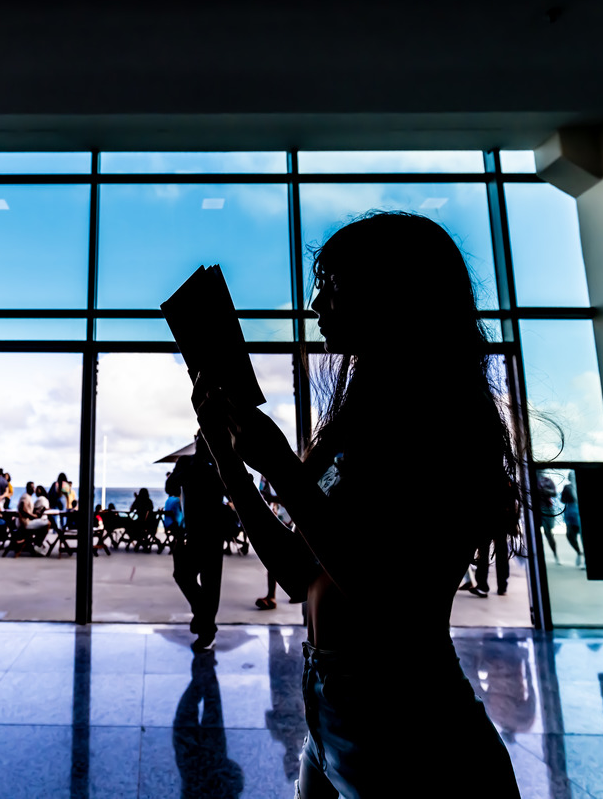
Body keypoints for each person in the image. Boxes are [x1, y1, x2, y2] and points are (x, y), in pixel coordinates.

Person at [192, 211, 521, 796]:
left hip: (414, 734)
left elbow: (390, 599)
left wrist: (281, 468)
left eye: (333, 286)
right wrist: (226, 454)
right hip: (330, 721)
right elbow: (296, 572)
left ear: (392, 296)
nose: (317, 303)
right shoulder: (355, 425)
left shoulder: (447, 429)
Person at [166, 433, 228, 652]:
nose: (203, 441)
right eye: (201, 437)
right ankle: (204, 618)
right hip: (191, 532)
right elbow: (170, 487)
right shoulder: (186, 462)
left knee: (211, 585)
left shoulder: (221, 464)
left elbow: (231, 491)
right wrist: (194, 467)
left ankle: (206, 632)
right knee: (182, 574)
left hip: (214, 533)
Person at [15, 480, 48, 550]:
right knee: (48, 524)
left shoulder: (27, 496)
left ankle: (35, 544)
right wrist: (34, 516)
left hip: (25, 522)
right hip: (25, 523)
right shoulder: (25, 497)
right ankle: (37, 545)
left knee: (43, 523)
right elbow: (23, 510)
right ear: (28, 488)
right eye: (32, 487)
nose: (33, 489)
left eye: (33, 487)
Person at [536, 473, 561, 565]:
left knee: (548, 533)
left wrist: (545, 491)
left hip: (546, 508)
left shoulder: (547, 480)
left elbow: (554, 493)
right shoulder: (526, 478)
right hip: (535, 508)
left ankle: (555, 555)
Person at [561, 474, 584, 568]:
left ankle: (585, 561)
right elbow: (562, 499)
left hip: (577, 512)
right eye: (571, 476)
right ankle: (578, 552)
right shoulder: (567, 487)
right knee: (570, 535)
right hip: (570, 512)